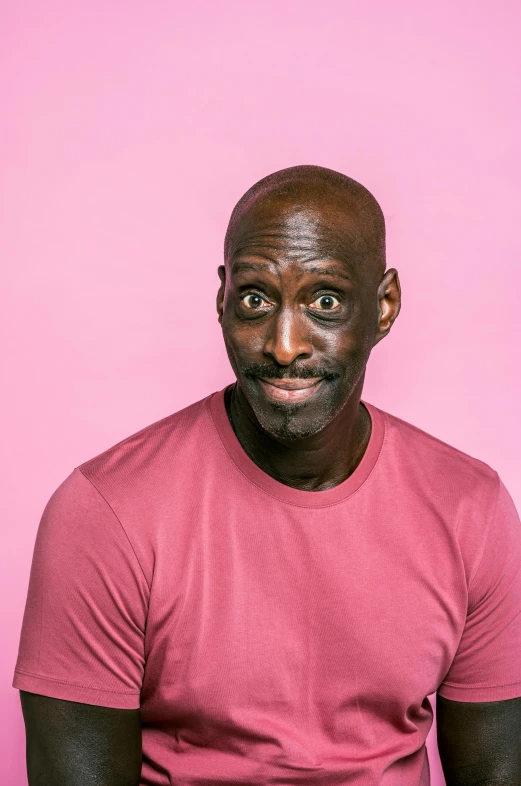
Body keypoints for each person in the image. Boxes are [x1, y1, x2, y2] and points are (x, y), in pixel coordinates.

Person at [13, 165, 521, 786]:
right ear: (222, 298)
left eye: (324, 301)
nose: (283, 346)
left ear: (384, 306)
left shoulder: (471, 509)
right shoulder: (104, 512)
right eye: (256, 298)